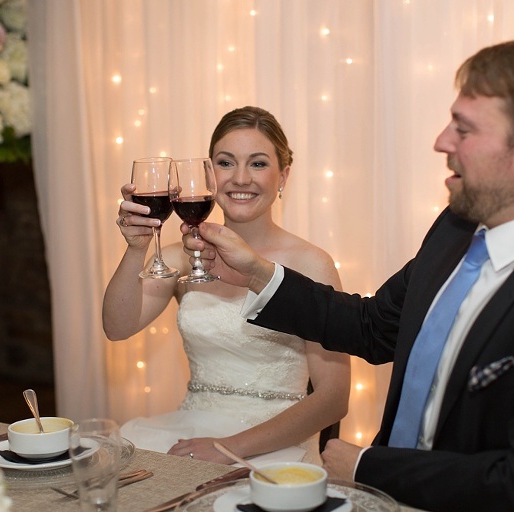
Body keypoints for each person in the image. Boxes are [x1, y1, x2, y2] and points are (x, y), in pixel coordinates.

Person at [182, 39, 514, 511]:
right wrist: (259, 274)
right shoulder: (457, 225)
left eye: (463, 129)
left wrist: (367, 468)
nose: (442, 141)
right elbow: (372, 326)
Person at [103, 106, 350, 466]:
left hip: (279, 444)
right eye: (225, 162)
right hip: (190, 434)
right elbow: (117, 326)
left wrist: (229, 446)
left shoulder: (312, 264)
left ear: (284, 175)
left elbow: (334, 397)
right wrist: (137, 247)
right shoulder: (185, 256)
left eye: (258, 163)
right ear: (208, 174)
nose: (241, 178)